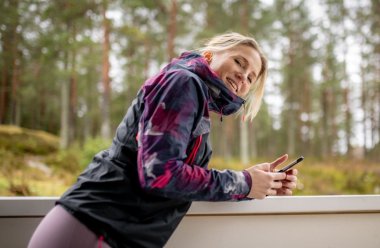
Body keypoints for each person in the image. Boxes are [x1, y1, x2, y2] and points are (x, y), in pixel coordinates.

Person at [28, 32, 298, 248]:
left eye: (251, 77)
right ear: (209, 55)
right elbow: (160, 174)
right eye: (240, 62)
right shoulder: (183, 82)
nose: (243, 75)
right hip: (95, 226)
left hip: (110, 229)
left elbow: (187, 182)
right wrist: (244, 182)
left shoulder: (195, 97)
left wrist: (258, 185)